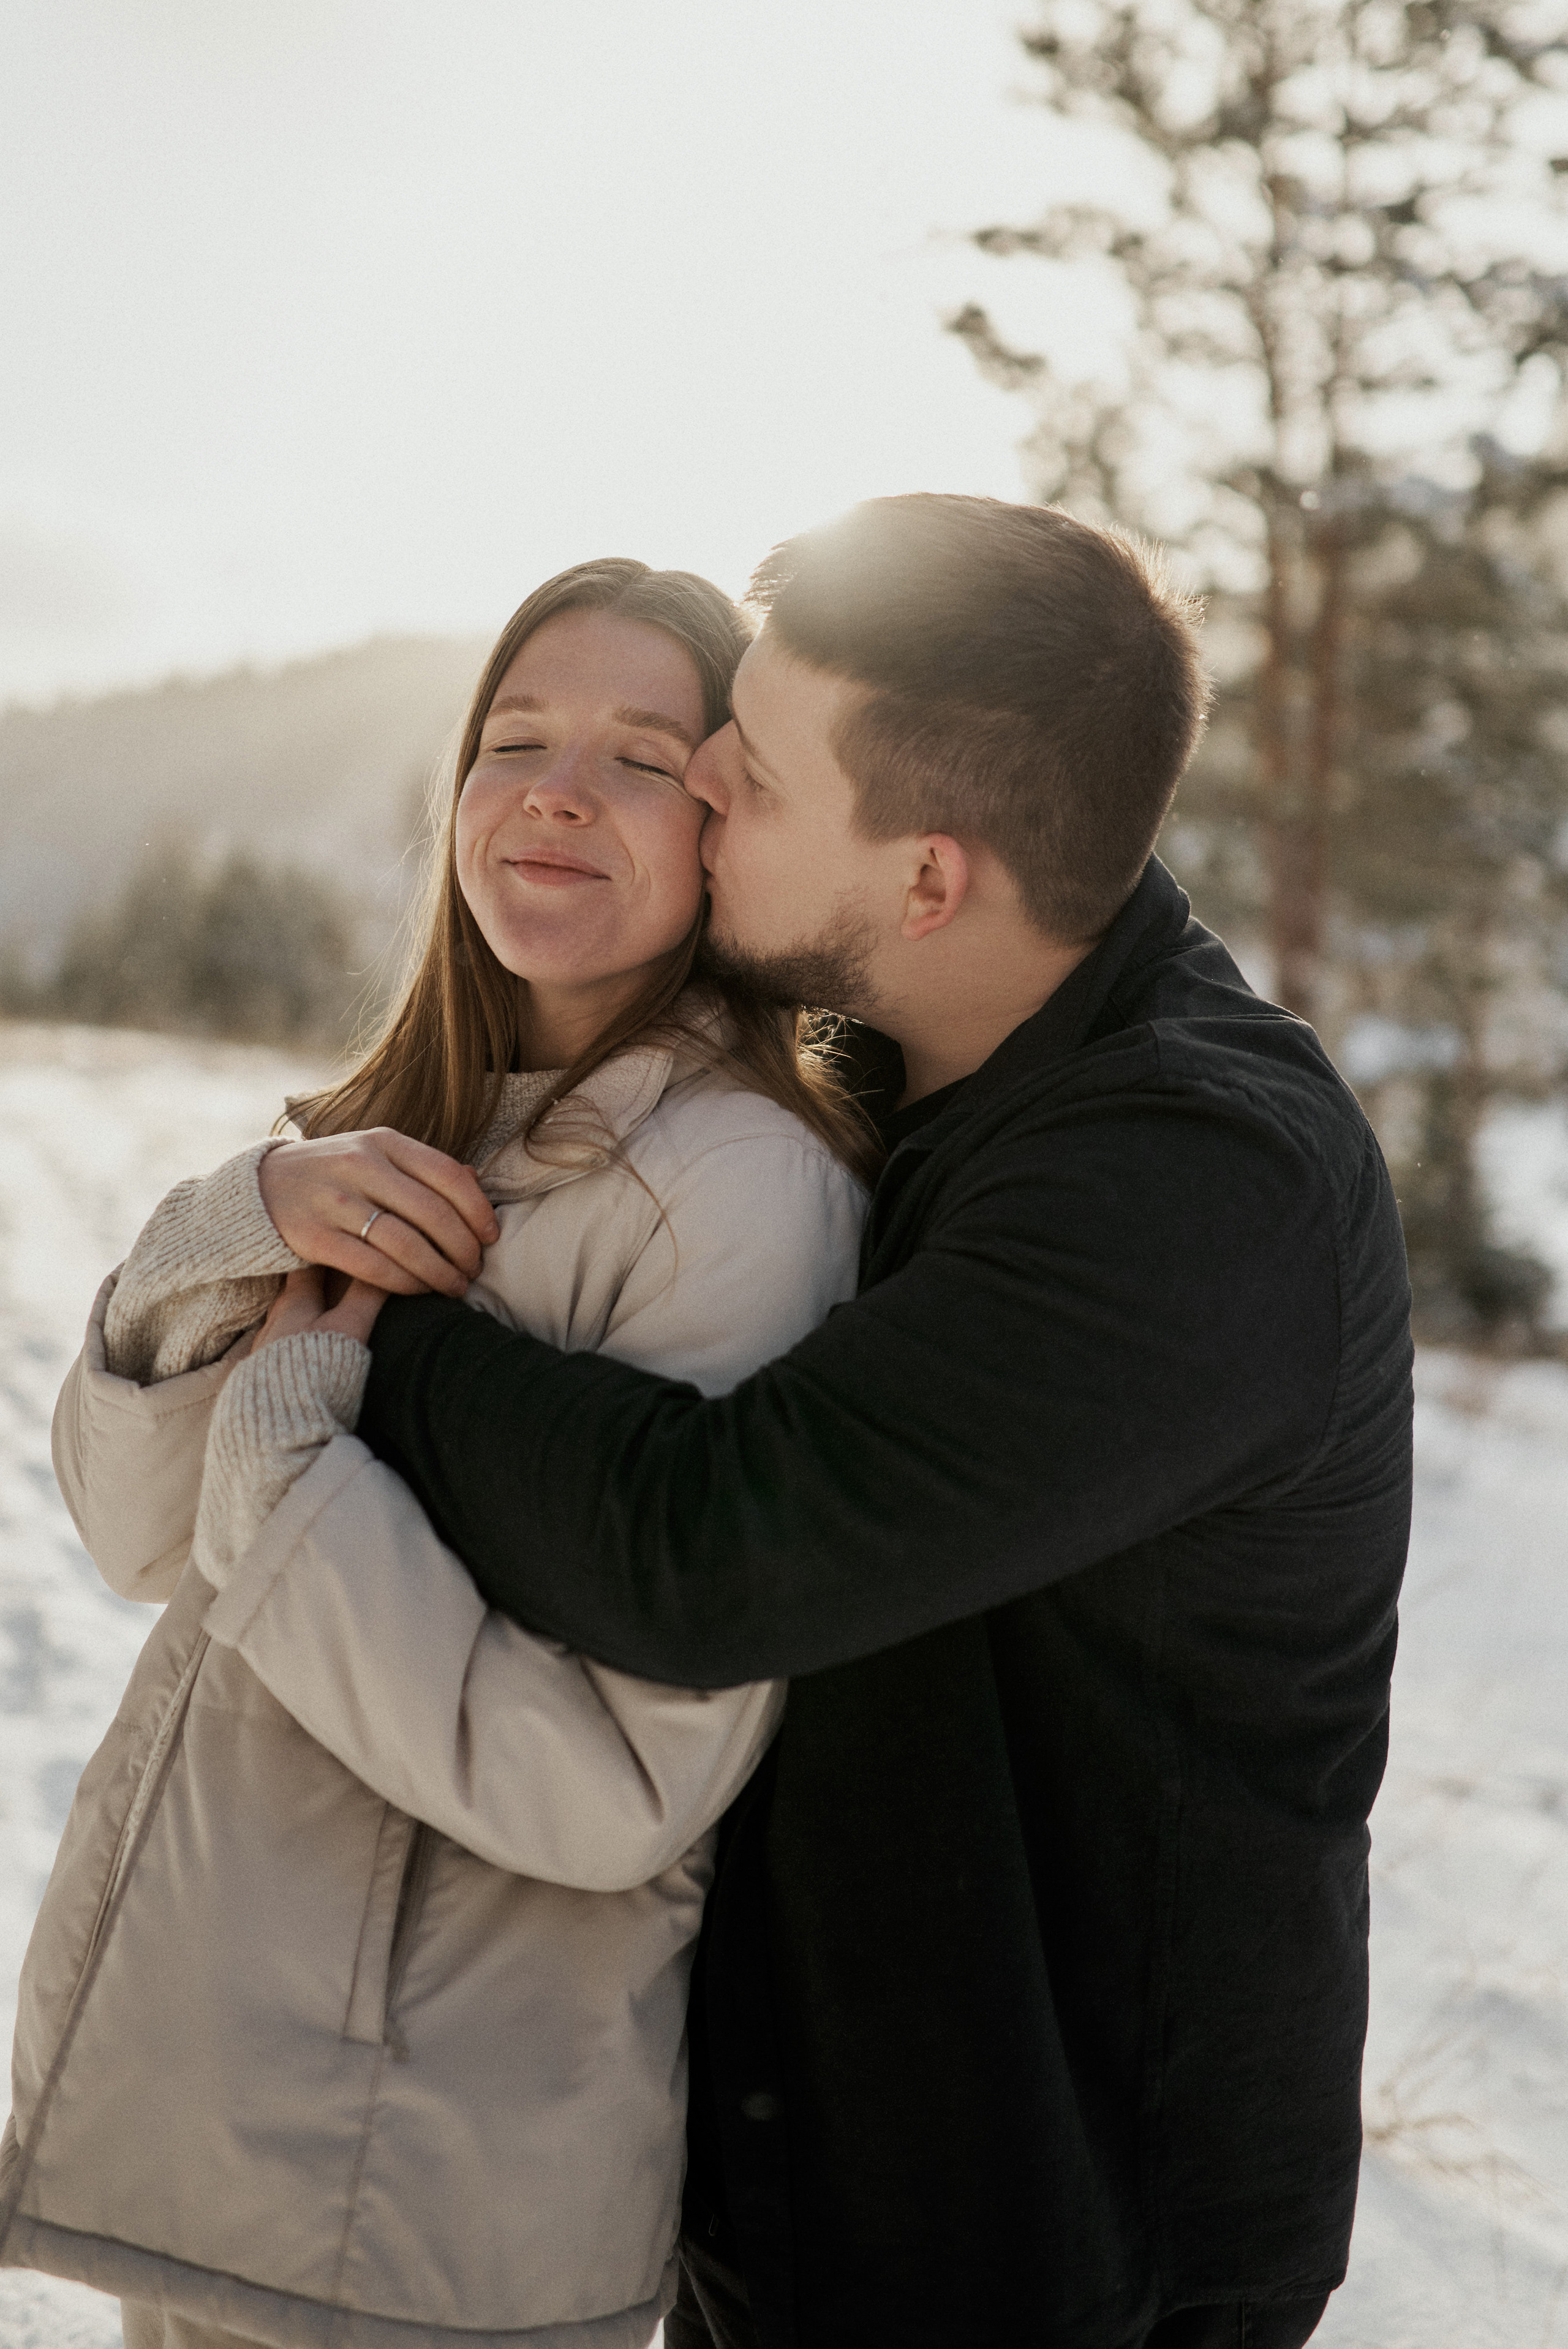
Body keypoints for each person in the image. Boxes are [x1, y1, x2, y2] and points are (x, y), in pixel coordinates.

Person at [295, 497, 1414, 2349]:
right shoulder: (894, 1053)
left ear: (931, 876)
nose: (705, 777)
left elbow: (712, 1550)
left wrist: (390, 1322)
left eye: (756, 768)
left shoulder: (1203, 1190)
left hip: (1057, 2236)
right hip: (804, 2161)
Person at [0, 560, 875, 2349]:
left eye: (643, 756)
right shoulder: (409, 1127)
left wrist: (295, 1450)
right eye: (518, 735)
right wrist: (224, 1224)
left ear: (730, 828)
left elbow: (616, 1782)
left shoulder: (744, 1190)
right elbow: (136, 1535)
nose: (557, 786)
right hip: (231, 2138)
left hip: (424, 2192)